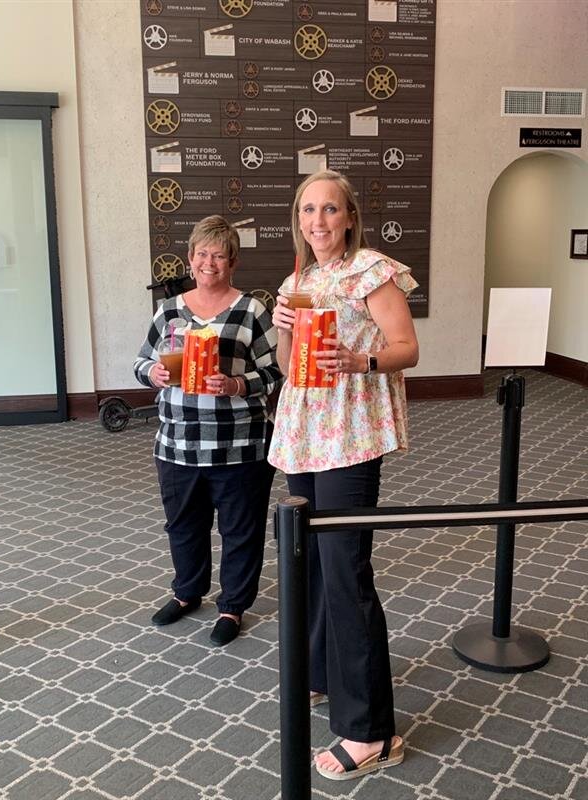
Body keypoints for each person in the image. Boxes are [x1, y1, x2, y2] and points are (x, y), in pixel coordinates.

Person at [268, 170, 419, 779]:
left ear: (350, 217)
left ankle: (371, 732)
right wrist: (282, 332)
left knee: (344, 570)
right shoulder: (297, 279)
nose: (318, 221)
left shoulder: (372, 270)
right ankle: (322, 673)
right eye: (308, 210)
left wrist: (361, 359)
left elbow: (407, 346)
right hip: (305, 431)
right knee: (308, 563)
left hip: (352, 433)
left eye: (330, 210)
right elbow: (287, 367)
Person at [134, 215, 282, 646]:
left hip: (238, 444)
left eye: (218, 255)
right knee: (183, 526)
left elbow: (277, 371)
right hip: (177, 444)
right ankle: (187, 594)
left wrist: (237, 384)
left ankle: (233, 606)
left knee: (240, 529)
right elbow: (141, 361)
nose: (209, 262)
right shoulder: (169, 310)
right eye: (202, 254)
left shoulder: (252, 310)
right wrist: (154, 375)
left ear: (232, 261)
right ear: (190, 258)